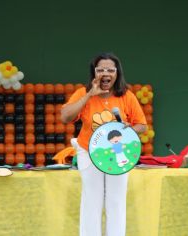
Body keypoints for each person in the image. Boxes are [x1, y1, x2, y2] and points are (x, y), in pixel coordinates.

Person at [61, 52, 147, 236]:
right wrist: (90, 94)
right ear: (94, 73)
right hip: (89, 153)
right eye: (100, 69)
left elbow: (142, 125)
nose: (105, 73)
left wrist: (129, 128)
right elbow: (65, 117)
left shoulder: (127, 96)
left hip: (117, 155)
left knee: (116, 201)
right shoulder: (82, 93)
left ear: (117, 73)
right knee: (92, 200)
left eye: (110, 69)